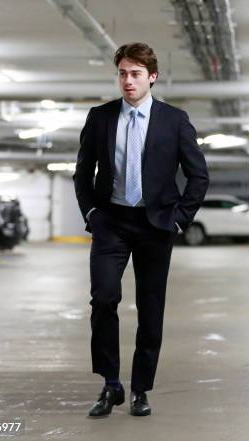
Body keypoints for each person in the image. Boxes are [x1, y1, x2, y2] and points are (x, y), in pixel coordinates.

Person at [73, 42, 209, 418]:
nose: (128, 81)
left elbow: (198, 175)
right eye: (122, 73)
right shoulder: (100, 118)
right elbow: (83, 172)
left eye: (135, 74)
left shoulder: (174, 120)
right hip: (111, 223)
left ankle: (140, 390)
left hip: (156, 225)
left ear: (152, 76)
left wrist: (180, 217)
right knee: (103, 298)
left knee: (151, 310)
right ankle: (110, 384)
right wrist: (92, 214)